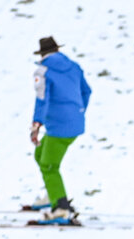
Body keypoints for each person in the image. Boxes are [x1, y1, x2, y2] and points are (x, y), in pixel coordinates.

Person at [29, 36, 91, 223]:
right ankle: (53, 193)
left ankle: (61, 208)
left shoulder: (43, 71)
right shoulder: (74, 66)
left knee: (49, 165)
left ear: (42, 54)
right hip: (75, 122)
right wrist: (76, 112)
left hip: (58, 126)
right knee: (40, 154)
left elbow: (42, 99)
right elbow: (86, 91)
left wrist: (36, 124)